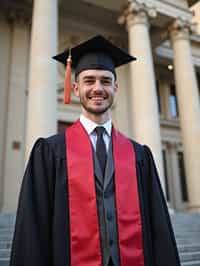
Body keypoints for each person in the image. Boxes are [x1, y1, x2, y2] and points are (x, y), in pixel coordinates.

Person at [10, 35, 180, 266]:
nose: (98, 88)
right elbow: (33, 226)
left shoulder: (139, 155)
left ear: (115, 87)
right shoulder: (49, 152)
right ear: (76, 87)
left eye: (105, 81)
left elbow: (159, 226)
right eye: (89, 81)